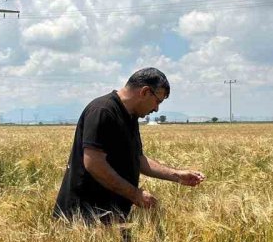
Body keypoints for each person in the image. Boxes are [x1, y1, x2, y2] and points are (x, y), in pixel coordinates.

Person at [53, 67, 205, 225]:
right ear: (145, 92)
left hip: (110, 216)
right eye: (157, 101)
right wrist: (135, 195)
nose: (156, 109)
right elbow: (94, 163)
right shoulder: (103, 111)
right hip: (85, 216)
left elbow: (137, 159)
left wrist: (177, 175)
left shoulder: (130, 116)